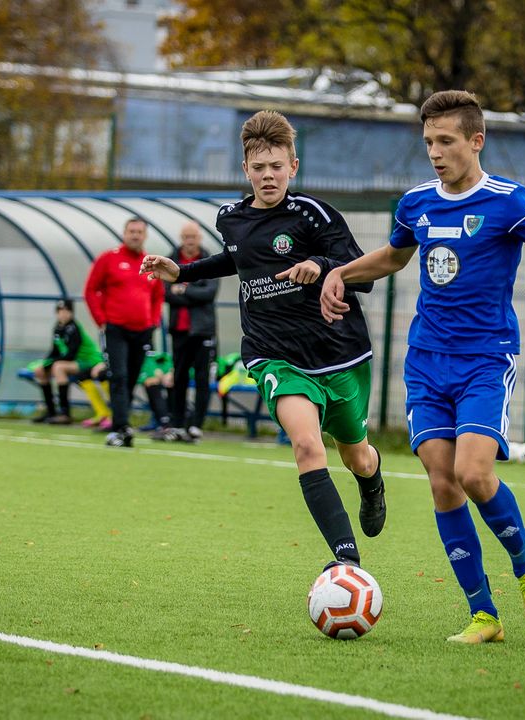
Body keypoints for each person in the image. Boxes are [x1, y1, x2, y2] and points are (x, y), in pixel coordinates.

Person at [320, 90, 525, 644]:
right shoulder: (416, 203)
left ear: (476, 141)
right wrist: (340, 272)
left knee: (473, 474)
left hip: (485, 360)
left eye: (445, 141)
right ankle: (483, 615)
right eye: (428, 142)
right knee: (442, 481)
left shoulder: (508, 201)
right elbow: (395, 257)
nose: (434, 152)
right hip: (426, 362)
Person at [141, 110, 386, 573]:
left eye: (276, 166)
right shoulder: (231, 218)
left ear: (293, 166)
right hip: (274, 354)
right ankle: (346, 562)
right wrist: (183, 271)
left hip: (338, 353)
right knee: (307, 446)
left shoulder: (313, 214)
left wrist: (321, 266)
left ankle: (371, 482)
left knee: (355, 454)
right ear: (245, 170)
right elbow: (240, 258)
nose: (268, 175)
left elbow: (364, 273)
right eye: (259, 167)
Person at [84, 217, 165, 447]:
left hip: (143, 331)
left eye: (139, 232)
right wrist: (101, 320)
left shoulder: (150, 263)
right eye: (131, 231)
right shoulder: (108, 259)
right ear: (124, 233)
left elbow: (158, 295)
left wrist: (153, 321)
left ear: (145, 235)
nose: (135, 235)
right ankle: (120, 427)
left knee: (130, 378)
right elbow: (91, 290)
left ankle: (121, 423)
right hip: (116, 329)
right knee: (118, 376)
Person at [163, 221, 218, 442]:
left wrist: (184, 289)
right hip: (179, 330)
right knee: (179, 378)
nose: (189, 241)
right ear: (181, 238)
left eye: (193, 237)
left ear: (199, 238)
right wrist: (191, 292)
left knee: (202, 378)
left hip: (202, 330)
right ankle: (177, 423)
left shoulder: (209, 260)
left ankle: (196, 425)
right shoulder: (171, 259)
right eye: (186, 237)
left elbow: (209, 294)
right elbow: (166, 293)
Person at [32, 298, 104, 424]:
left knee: (58, 367)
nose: (63, 314)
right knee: (41, 371)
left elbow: (71, 354)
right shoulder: (58, 328)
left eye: (66, 311)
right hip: (73, 362)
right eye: (60, 311)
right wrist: (44, 364)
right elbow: (54, 351)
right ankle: (51, 411)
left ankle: (65, 414)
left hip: (88, 361)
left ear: (71, 313)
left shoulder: (74, 328)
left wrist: (51, 363)